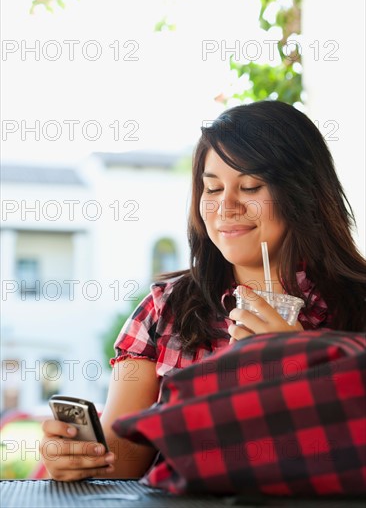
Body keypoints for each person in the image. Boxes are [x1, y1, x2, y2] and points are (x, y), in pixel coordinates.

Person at [40, 100, 366, 481]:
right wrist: (81, 455)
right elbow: (124, 458)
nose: (225, 206)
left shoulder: (356, 304)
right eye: (211, 188)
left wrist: (300, 365)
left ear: (303, 192)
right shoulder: (165, 309)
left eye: (250, 186)